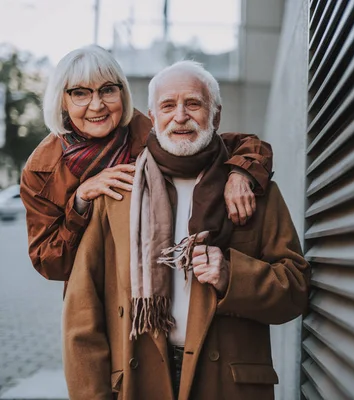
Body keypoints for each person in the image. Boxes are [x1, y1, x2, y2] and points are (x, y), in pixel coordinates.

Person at [62, 60, 310, 400]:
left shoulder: (254, 191)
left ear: (216, 115)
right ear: (152, 116)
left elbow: (295, 289)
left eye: (193, 103)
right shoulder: (118, 194)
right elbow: (81, 311)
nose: (180, 116)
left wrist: (232, 275)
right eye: (168, 106)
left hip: (229, 385)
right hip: (138, 381)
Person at [20, 45, 273, 286]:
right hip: (95, 295)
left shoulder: (152, 133)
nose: (97, 105)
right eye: (80, 93)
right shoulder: (41, 170)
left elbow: (237, 144)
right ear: (62, 101)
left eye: (107, 90)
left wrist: (240, 173)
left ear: (122, 93)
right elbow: (51, 263)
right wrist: (80, 200)